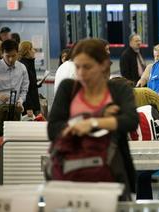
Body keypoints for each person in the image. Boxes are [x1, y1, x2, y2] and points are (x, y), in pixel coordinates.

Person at [48, 38, 139, 197]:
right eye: (77, 67)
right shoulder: (68, 88)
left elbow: (130, 121)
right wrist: (101, 117)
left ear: (103, 64)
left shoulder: (119, 89)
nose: (81, 73)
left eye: (88, 67)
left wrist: (91, 123)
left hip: (111, 170)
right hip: (70, 171)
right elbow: (54, 129)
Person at [0, 40, 29, 135]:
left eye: (14, 56)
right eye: (7, 56)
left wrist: (20, 101)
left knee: (13, 138)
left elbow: (24, 90)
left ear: (18, 54)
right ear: (2, 53)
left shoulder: (22, 68)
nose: (11, 59)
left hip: (15, 111)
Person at [18, 41, 40, 116]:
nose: (34, 51)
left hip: (33, 102)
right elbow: (24, 89)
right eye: (32, 48)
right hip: (28, 106)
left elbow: (31, 83)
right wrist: (28, 107)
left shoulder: (30, 63)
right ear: (27, 51)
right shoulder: (24, 66)